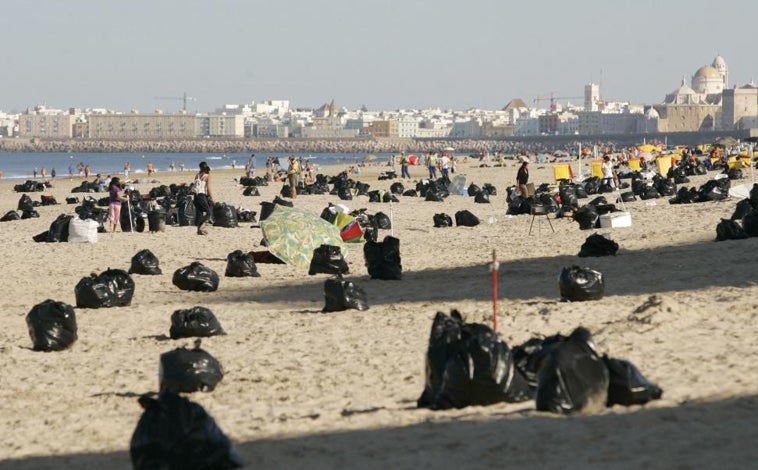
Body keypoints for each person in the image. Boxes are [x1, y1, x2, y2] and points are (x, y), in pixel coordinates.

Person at [193, 161, 214, 235]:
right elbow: (208, 188)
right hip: (201, 195)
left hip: (195, 196)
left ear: (200, 168)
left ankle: (198, 230)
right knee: (208, 212)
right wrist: (212, 198)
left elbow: (195, 185)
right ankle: (202, 227)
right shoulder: (207, 176)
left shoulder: (197, 175)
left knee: (199, 213)